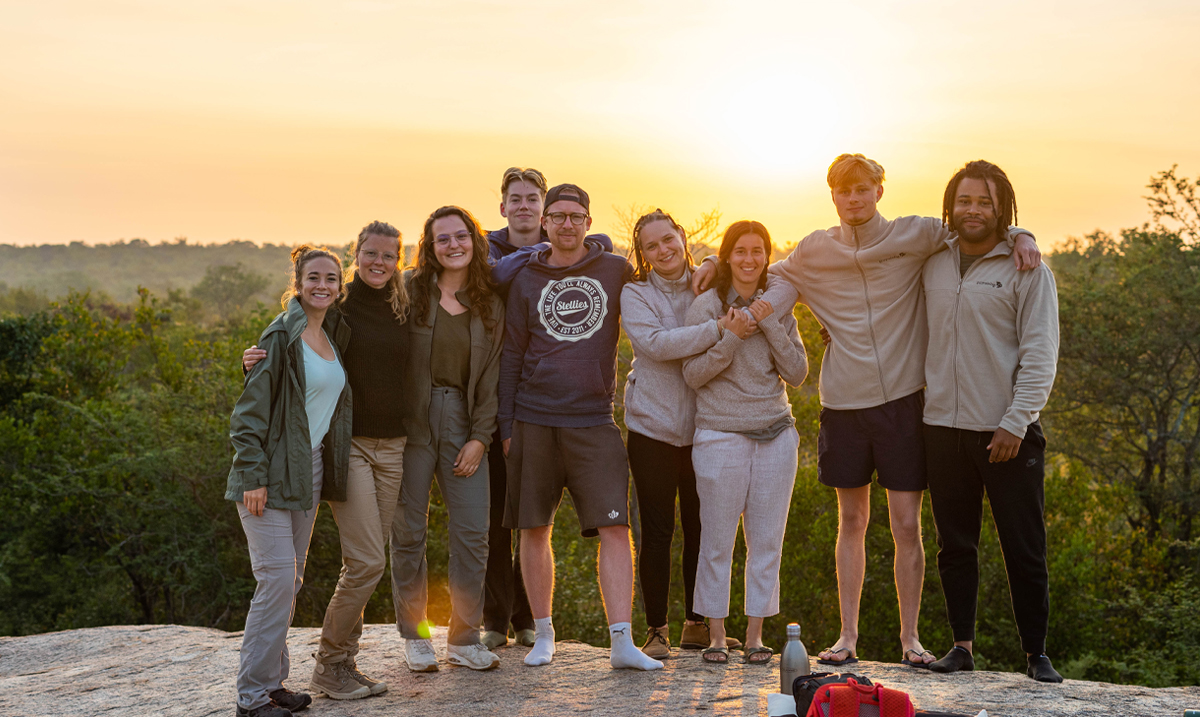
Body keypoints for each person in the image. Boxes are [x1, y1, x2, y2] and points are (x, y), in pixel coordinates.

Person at [691, 153, 1042, 667]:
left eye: (862, 189)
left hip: (904, 402)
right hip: (843, 405)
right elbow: (771, 271)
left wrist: (1022, 234)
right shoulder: (814, 249)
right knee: (851, 520)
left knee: (906, 524)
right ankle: (847, 638)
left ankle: (911, 641)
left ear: (880, 189)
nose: (853, 199)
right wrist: (711, 264)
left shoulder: (915, 235)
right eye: (843, 191)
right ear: (832, 195)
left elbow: (975, 228)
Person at [242, 222, 410, 700]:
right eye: (369, 253)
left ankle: (321, 669)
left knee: (333, 570)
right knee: (353, 564)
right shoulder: (309, 321)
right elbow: (262, 395)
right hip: (324, 455)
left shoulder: (376, 312)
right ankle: (316, 669)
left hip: (357, 455)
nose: (379, 262)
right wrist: (258, 362)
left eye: (389, 255)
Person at [497, 183, 661, 671]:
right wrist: (506, 424)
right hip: (532, 417)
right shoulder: (525, 277)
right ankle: (543, 635)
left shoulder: (615, 271)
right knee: (533, 528)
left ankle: (622, 643)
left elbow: (672, 277)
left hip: (594, 420)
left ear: (589, 224)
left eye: (576, 216)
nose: (567, 223)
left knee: (616, 528)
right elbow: (510, 354)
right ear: (544, 223)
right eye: (558, 215)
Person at [920, 161, 1062, 683]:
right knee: (955, 545)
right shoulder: (931, 260)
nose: (973, 210)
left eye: (984, 201)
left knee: (1023, 545)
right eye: (964, 201)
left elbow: (1041, 353)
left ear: (1002, 207)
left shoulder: (1028, 268)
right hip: (941, 426)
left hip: (1007, 431)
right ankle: (961, 646)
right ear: (950, 206)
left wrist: (1016, 422)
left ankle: (1036, 653)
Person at [482, 167, 614, 650]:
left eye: (532, 199)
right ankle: (496, 618)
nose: (523, 206)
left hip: (552, 406)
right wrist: (532, 255)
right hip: (495, 395)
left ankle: (526, 620)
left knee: (527, 517)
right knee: (502, 516)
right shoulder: (490, 251)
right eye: (514, 198)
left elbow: (601, 245)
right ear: (503, 207)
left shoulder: (573, 245)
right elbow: (486, 277)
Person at [621, 209, 758, 658]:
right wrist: (718, 327)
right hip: (653, 429)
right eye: (651, 246)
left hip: (705, 428)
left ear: (682, 237)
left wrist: (714, 265)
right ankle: (657, 629)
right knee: (657, 532)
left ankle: (696, 625)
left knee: (704, 528)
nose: (663, 251)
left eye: (668, 240)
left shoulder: (711, 283)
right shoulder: (635, 294)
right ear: (642, 254)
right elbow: (657, 345)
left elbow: (754, 269)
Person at [226, 246, 352, 717]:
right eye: (314, 277)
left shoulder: (329, 333)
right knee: (275, 579)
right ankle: (251, 698)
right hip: (268, 475)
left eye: (332, 279)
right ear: (297, 282)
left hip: (310, 469)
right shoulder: (280, 335)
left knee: (291, 580)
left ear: (340, 287)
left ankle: (273, 682)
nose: (323, 285)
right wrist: (253, 476)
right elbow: (247, 415)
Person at [682, 221, 808, 665]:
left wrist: (765, 321)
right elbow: (692, 375)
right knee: (717, 541)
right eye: (740, 251)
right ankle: (716, 636)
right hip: (720, 435)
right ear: (728, 256)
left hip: (776, 434)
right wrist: (731, 338)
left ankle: (755, 636)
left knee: (766, 541)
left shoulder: (778, 306)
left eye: (758, 251)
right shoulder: (706, 307)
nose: (749, 260)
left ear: (766, 256)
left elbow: (797, 372)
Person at [391, 206, 505, 672]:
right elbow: (343, 311)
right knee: (408, 532)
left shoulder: (489, 302)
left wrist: (481, 437)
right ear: (430, 245)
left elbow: (494, 377)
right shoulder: (408, 291)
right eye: (443, 239)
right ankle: (416, 637)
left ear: (475, 242)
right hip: (411, 425)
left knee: (474, 533)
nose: (453, 245)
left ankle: (463, 638)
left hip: (464, 420)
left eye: (462, 236)